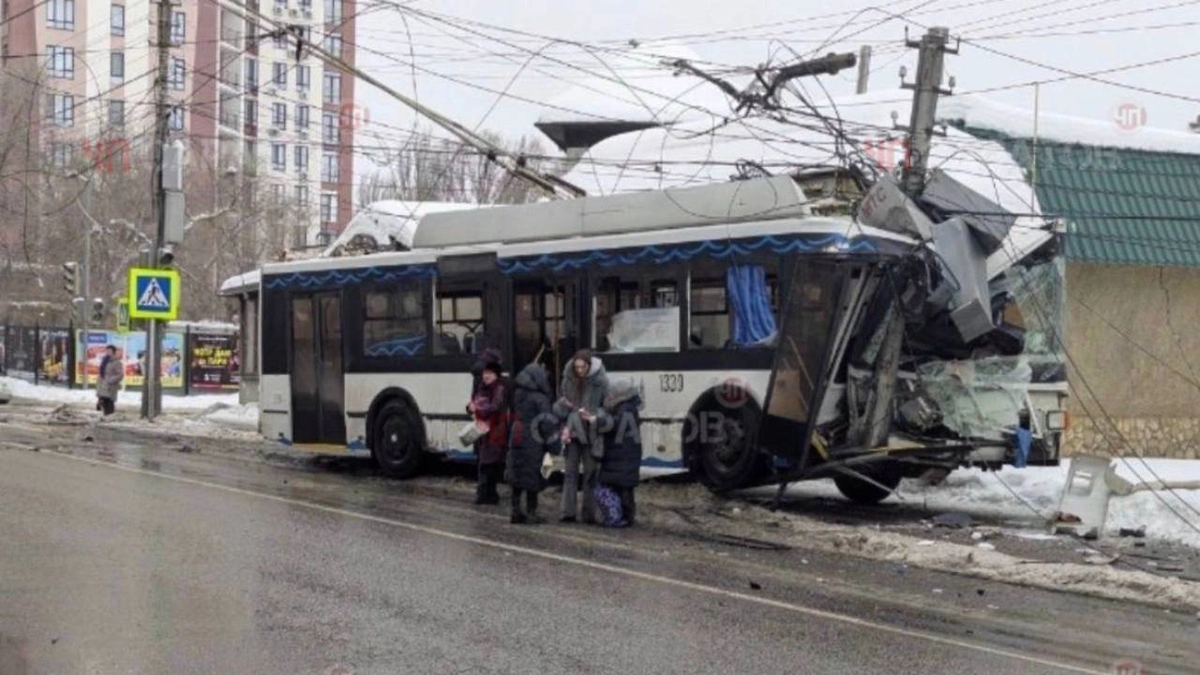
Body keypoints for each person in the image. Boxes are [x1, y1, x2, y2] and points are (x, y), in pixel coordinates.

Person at [554, 349, 608, 524]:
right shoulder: (567, 379)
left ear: (589, 365)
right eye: (577, 367)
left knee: (590, 474)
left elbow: (607, 406)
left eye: (582, 367)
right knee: (570, 473)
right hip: (573, 433)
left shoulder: (601, 381)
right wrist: (564, 406)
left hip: (591, 433)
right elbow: (558, 406)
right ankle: (567, 512)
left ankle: (589, 513)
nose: (579, 371)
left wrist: (594, 416)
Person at [508, 361, 558, 524]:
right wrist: (554, 445)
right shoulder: (540, 398)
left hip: (517, 434)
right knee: (533, 473)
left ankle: (515, 510)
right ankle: (531, 512)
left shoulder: (518, 393)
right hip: (533, 438)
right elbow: (546, 423)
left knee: (517, 472)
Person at [599, 377, 644, 527]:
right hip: (623, 454)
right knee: (623, 487)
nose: (609, 395)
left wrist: (598, 421)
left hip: (623, 455)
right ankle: (623, 516)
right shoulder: (628, 407)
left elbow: (615, 425)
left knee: (623, 488)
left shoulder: (625, 409)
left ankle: (625, 517)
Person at [467, 361, 508, 505]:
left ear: (496, 375)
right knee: (487, 462)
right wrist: (470, 408)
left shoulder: (499, 389)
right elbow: (477, 403)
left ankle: (484, 494)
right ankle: (489, 494)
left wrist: (477, 409)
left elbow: (494, 408)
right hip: (484, 431)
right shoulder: (482, 387)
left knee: (487, 463)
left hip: (495, 431)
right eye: (485, 373)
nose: (486, 376)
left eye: (489, 373)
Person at [95, 345, 123, 416]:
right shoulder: (104, 361)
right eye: (107, 351)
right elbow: (102, 372)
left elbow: (120, 375)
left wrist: (110, 380)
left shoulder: (116, 362)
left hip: (110, 386)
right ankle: (106, 416)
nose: (107, 352)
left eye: (109, 351)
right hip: (102, 385)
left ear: (113, 352)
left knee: (109, 402)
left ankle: (110, 416)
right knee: (103, 401)